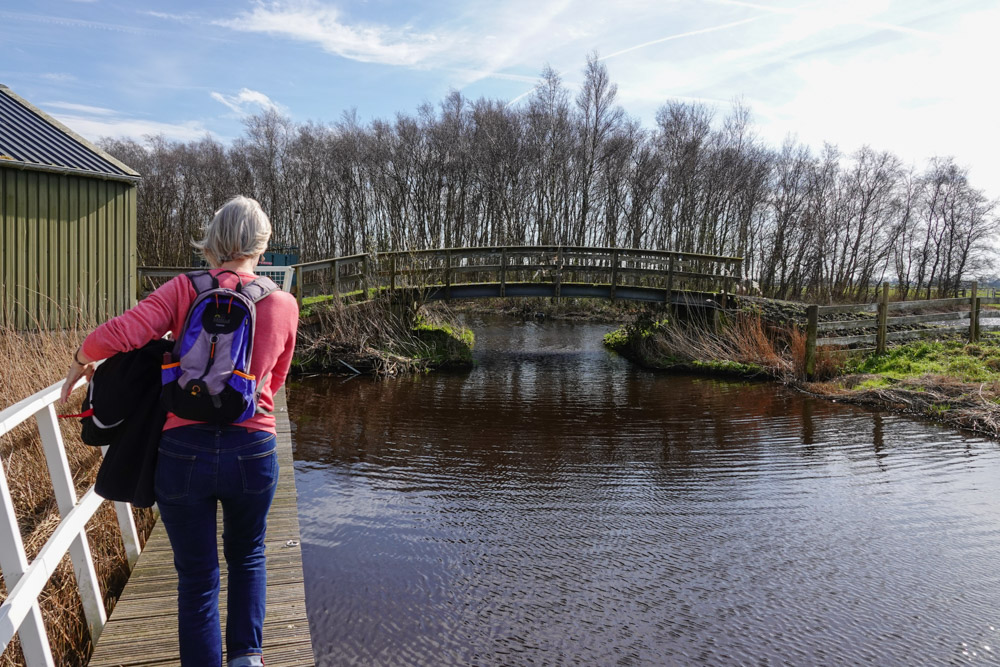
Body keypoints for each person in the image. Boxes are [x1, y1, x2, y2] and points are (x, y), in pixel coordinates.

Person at [61, 196, 299, 667]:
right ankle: (247, 659)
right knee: (248, 556)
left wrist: (81, 358)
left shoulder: (182, 289)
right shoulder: (284, 303)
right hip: (253, 448)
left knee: (197, 577)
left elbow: (122, 332)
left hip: (183, 450)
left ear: (212, 240)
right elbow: (274, 381)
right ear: (262, 244)